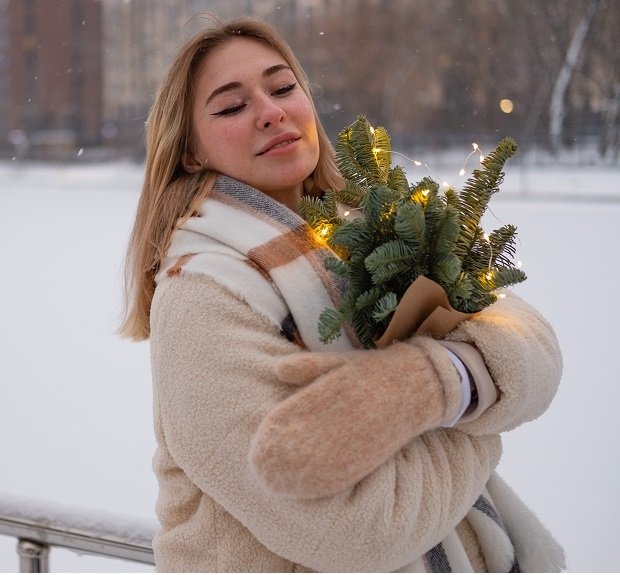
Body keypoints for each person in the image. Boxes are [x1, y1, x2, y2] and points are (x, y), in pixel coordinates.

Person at [120, 16, 564, 573]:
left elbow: (534, 347)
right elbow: (360, 533)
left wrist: (432, 386)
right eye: (232, 106)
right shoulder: (203, 296)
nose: (271, 111)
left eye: (283, 88)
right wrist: (479, 413)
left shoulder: (375, 229)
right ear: (189, 152)